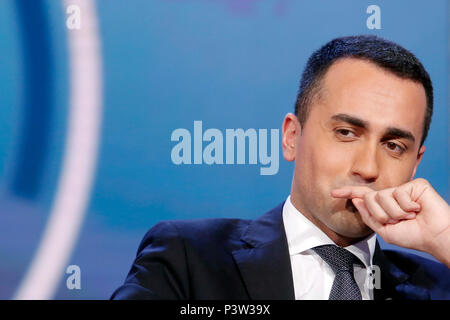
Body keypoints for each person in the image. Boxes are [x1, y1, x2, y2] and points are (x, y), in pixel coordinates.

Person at [111, 35, 450, 300]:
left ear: (415, 164)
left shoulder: (440, 285)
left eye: (393, 146)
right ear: (291, 137)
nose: (367, 168)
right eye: (346, 133)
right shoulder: (190, 259)